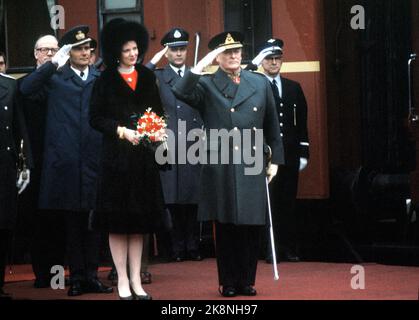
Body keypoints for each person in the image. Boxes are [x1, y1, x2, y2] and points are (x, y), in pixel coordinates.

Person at [172, 31, 284, 297]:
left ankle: (247, 280)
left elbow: (272, 126)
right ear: (217, 57)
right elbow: (180, 91)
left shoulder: (258, 82)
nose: (234, 56)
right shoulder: (207, 84)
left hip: (252, 159)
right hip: (221, 161)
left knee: (251, 223)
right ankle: (229, 282)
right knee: (226, 226)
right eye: (227, 53)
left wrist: (276, 160)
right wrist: (200, 66)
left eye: (237, 51)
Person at [20, 25, 113, 297]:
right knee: (72, 224)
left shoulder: (99, 77)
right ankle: (78, 277)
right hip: (66, 162)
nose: (85, 53)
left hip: (94, 161)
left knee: (93, 222)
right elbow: (26, 88)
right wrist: (52, 64)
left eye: (88, 48)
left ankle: (93, 276)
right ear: (68, 52)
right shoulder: (55, 77)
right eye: (79, 48)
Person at [89, 18, 166, 300]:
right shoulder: (105, 80)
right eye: (127, 50)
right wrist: (121, 131)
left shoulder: (147, 77)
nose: (133, 53)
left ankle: (136, 280)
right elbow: (94, 118)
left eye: (135, 48)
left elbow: (156, 113)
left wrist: (156, 131)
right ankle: (122, 279)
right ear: (115, 53)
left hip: (143, 161)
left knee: (139, 224)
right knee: (118, 223)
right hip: (115, 162)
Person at [146, 27, 204, 262]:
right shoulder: (158, 76)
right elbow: (140, 76)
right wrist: (154, 60)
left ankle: (192, 246)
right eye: (173, 50)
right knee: (172, 198)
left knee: (191, 199)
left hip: (192, 141)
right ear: (166, 52)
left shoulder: (195, 74)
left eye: (182, 49)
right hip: (168, 142)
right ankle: (176, 248)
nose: (179, 54)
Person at [252, 39, 310, 262]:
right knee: (269, 203)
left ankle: (288, 247)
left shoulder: (293, 87)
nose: (274, 63)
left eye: (277, 58)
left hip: (290, 154)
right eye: (269, 59)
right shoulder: (255, 86)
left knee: (288, 203)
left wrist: (304, 152)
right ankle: (269, 249)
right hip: (266, 155)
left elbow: (302, 122)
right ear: (262, 61)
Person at [18, 35, 67, 289]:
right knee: (38, 221)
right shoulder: (29, 82)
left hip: (61, 161)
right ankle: (43, 275)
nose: (49, 53)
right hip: (37, 161)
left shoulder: (63, 82)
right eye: (45, 50)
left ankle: (59, 272)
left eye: (54, 50)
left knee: (59, 219)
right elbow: (28, 91)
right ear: (36, 54)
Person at [0, 71, 33, 299]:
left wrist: (25, 165)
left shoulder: (9, 86)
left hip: (4, 166)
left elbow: (19, 127)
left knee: (2, 227)